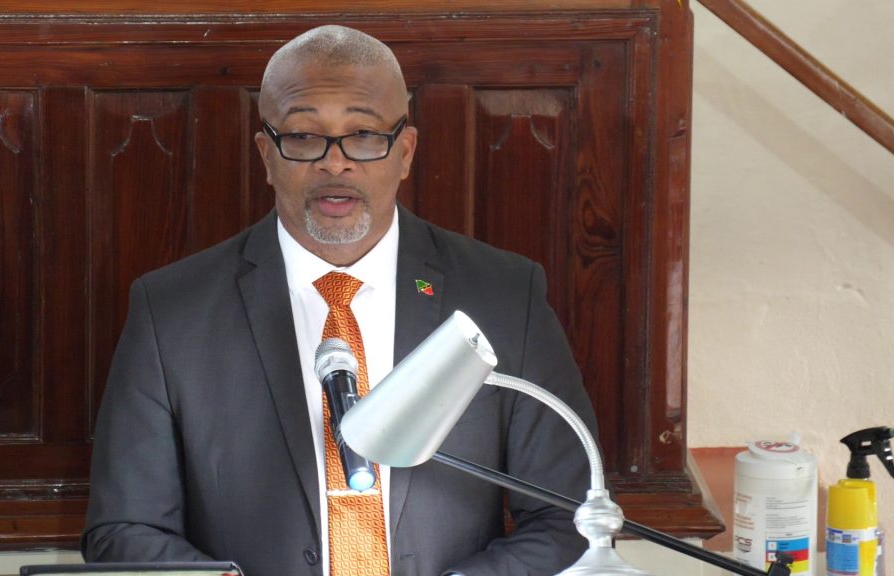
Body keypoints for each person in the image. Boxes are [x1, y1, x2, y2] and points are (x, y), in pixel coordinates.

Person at [82, 24, 598, 576]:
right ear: (266, 153)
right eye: (303, 136)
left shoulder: (502, 296)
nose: (335, 162)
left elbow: (568, 517)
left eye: (364, 135)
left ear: (405, 152)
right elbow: (123, 530)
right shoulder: (172, 311)